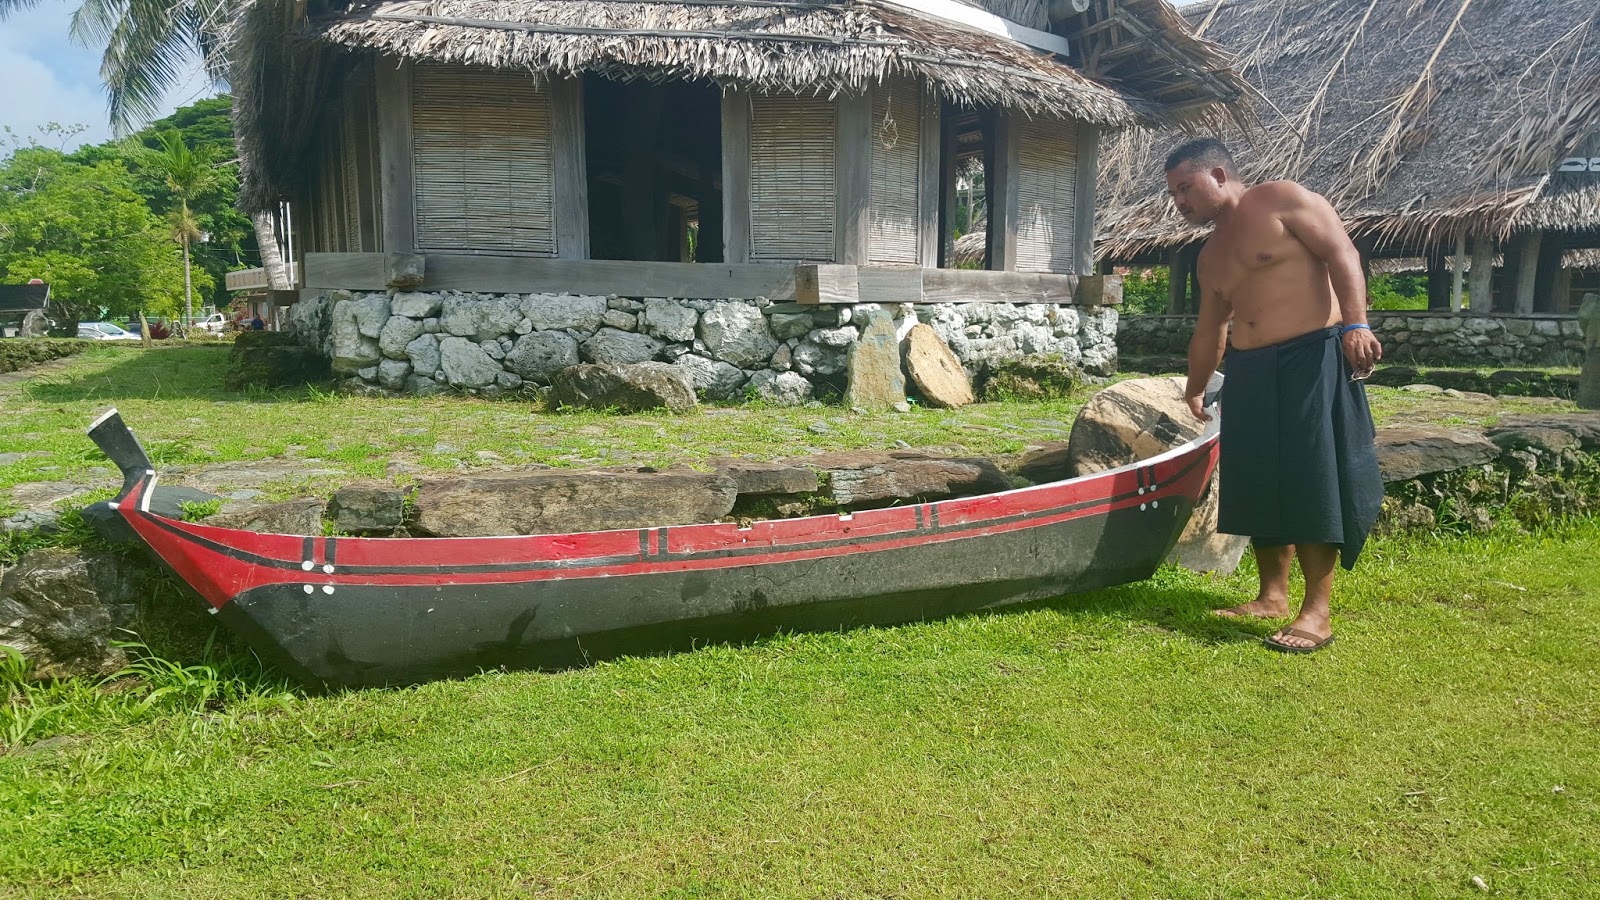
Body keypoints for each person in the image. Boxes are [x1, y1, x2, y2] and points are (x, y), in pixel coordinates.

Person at [1166, 138, 1383, 654]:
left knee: (1312, 477)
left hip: (1313, 354)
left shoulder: (1282, 199)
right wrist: (1196, 386)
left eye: (1185, 188)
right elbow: (1209, 330)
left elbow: (1341, 252)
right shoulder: (1210, 255)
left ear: (1218, 174)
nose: (1179, 203)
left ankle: (1317, 612)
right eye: (1173, 194)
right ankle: (1271, 595)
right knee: (1258, 477)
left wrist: (1356, 323)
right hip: (1251, 369)